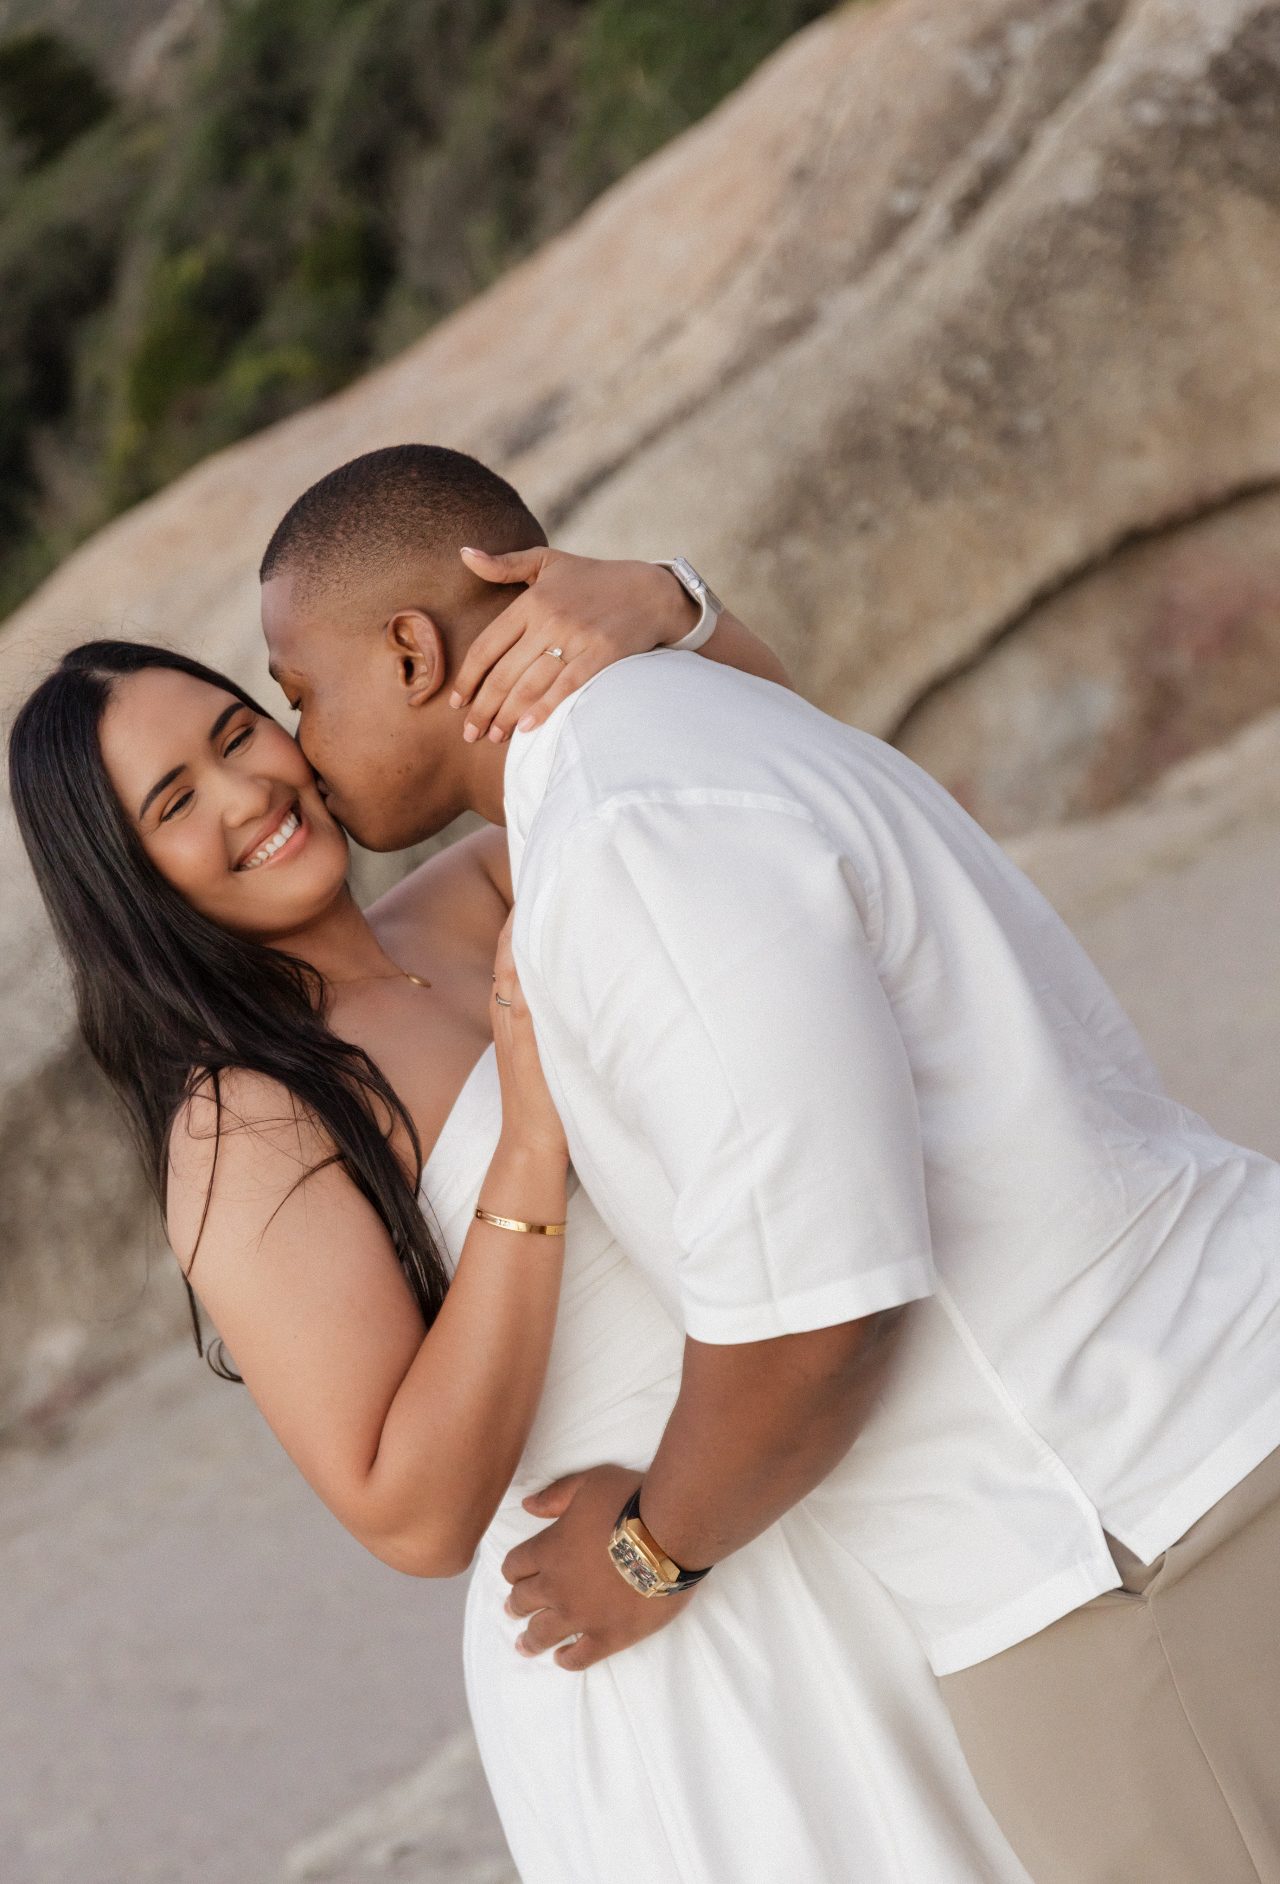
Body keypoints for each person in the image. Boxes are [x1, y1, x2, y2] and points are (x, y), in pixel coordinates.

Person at [256, 444, 1280, 1884]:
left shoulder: (624, 832)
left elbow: (825, 1308)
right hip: (1185, 1437)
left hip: (1131, 1534)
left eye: (299, 693)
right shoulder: (683, 727)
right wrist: (679, 602)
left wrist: (645, 1556)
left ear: (412, 651)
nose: (293, 745)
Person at [9, 466, 1032, 1884]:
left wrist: (668, 604)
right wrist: (533, 1139)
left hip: (784, 1475)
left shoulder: (489, 884)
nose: (254, 791)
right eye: (180, 801)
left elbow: (754, 758)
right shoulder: (243, 1121)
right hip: (641, 1617)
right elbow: (406, 1510)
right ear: (135, 884)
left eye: (247, 729)